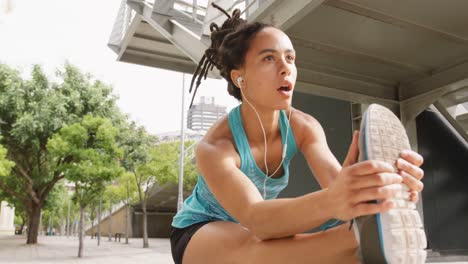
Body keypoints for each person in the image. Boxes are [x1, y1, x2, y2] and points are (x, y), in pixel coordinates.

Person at [170, 4, 424, 264]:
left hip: (257, 229)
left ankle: (363, 239)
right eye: (269, 58)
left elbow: (337, 188)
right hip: (201, 231)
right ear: (239, 78)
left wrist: (375, 189)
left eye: (290, 58)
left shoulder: (304, 126)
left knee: (331, 248)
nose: (285, 68)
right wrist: (336, 200)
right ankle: (358, 239)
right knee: (265, 251)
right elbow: (257, 218)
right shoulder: (216, 147)